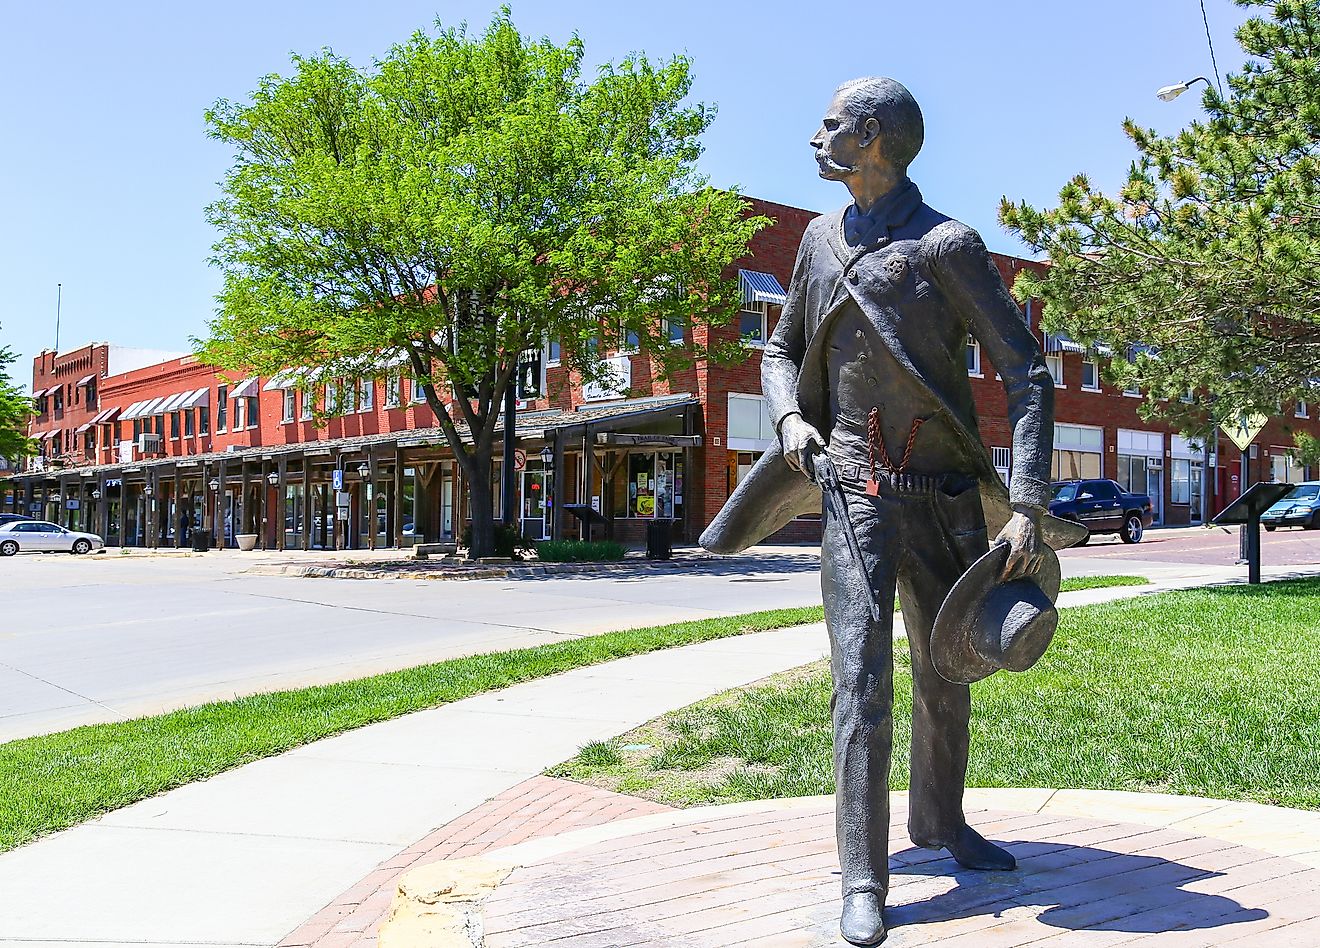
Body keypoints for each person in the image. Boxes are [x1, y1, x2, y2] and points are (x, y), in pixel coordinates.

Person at [700, 77, 1082, 946]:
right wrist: (791, 417)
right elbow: (779, 348)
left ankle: (940, 824)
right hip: (852, 494)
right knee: (861, 687)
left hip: (945, 502)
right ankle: (863, 876)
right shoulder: (816, 242)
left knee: (949, 670)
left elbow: (1025, 372)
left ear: (870, 137)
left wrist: (1023, 504)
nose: (817, 135)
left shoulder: (946, 246)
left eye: (831, 124)